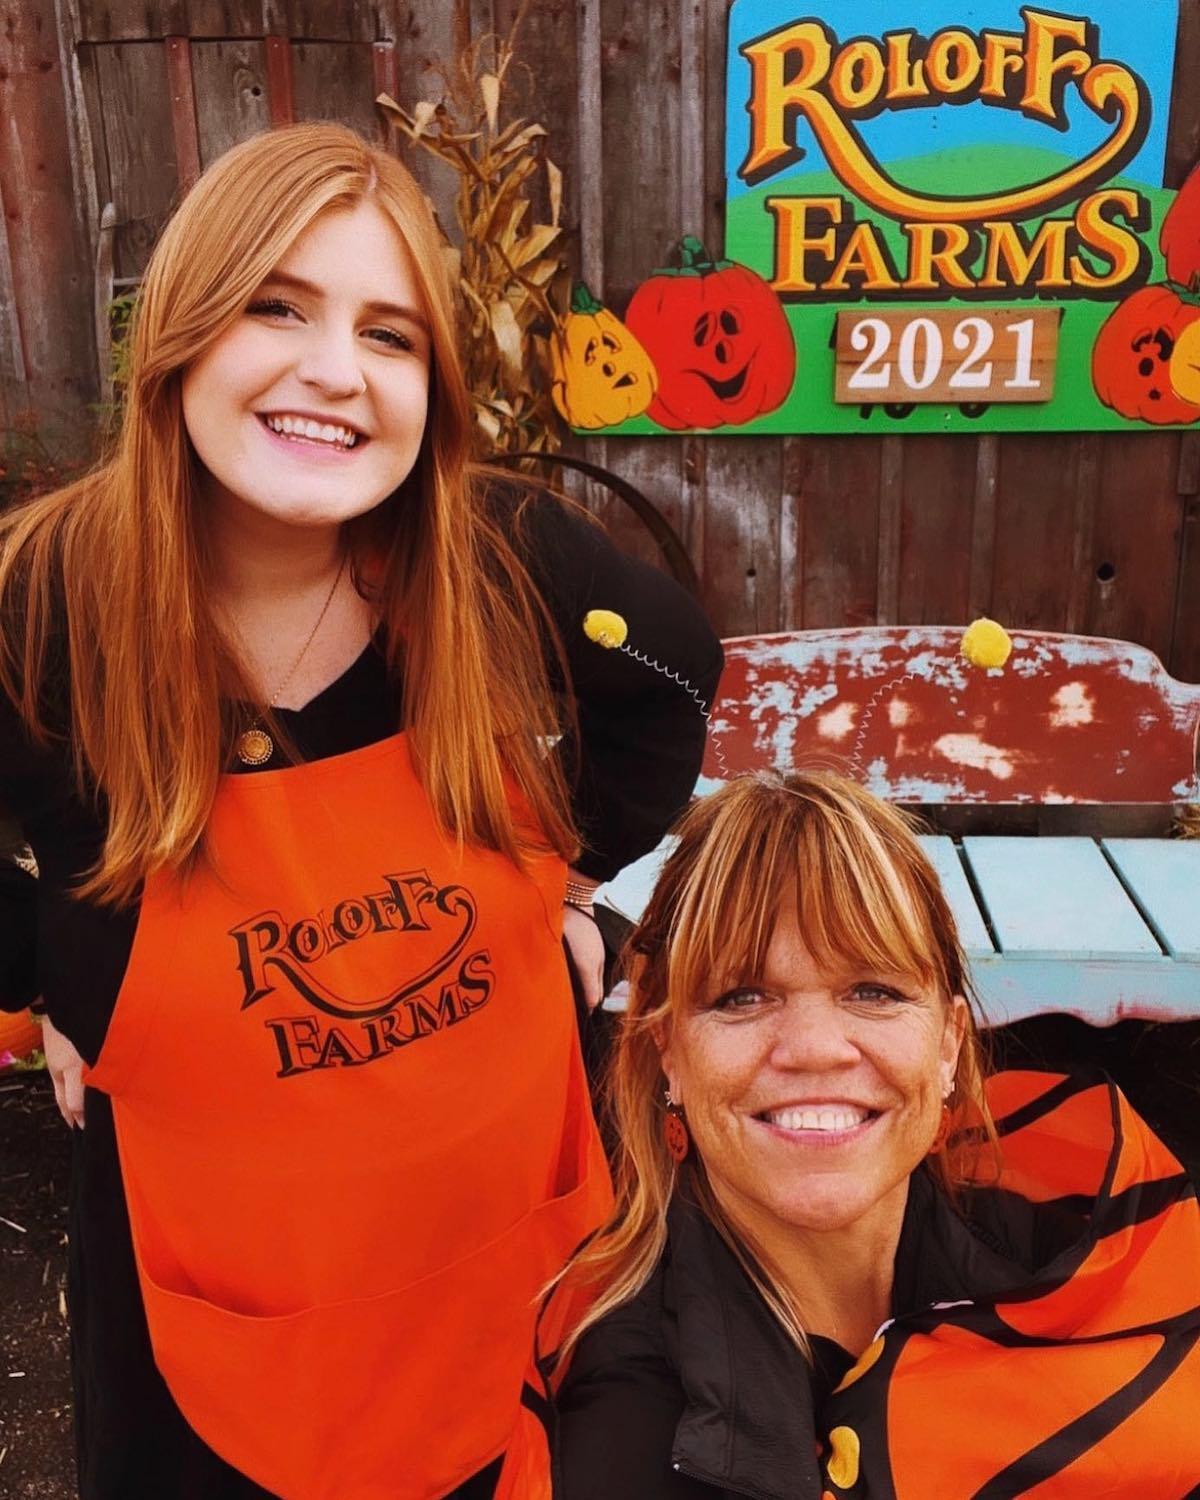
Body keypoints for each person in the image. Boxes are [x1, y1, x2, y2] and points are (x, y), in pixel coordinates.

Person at [0, 123, 723, 1500]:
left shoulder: (490, 556)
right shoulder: (45, 609)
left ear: (432, 389)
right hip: (216, 1302)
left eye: (390, 335)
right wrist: (63, 977)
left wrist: (557, 872)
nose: (336, 369)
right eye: (278, 305)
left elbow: (673, 672)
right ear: (180, 332)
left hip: (492, 1236)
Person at [554, 772, 1200, 1498]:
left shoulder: (1086, 1255)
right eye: (741, 997)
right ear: (667, 1050)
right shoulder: (633, 1433)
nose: (815, 1048)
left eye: (874, 991)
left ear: (950, 1043)